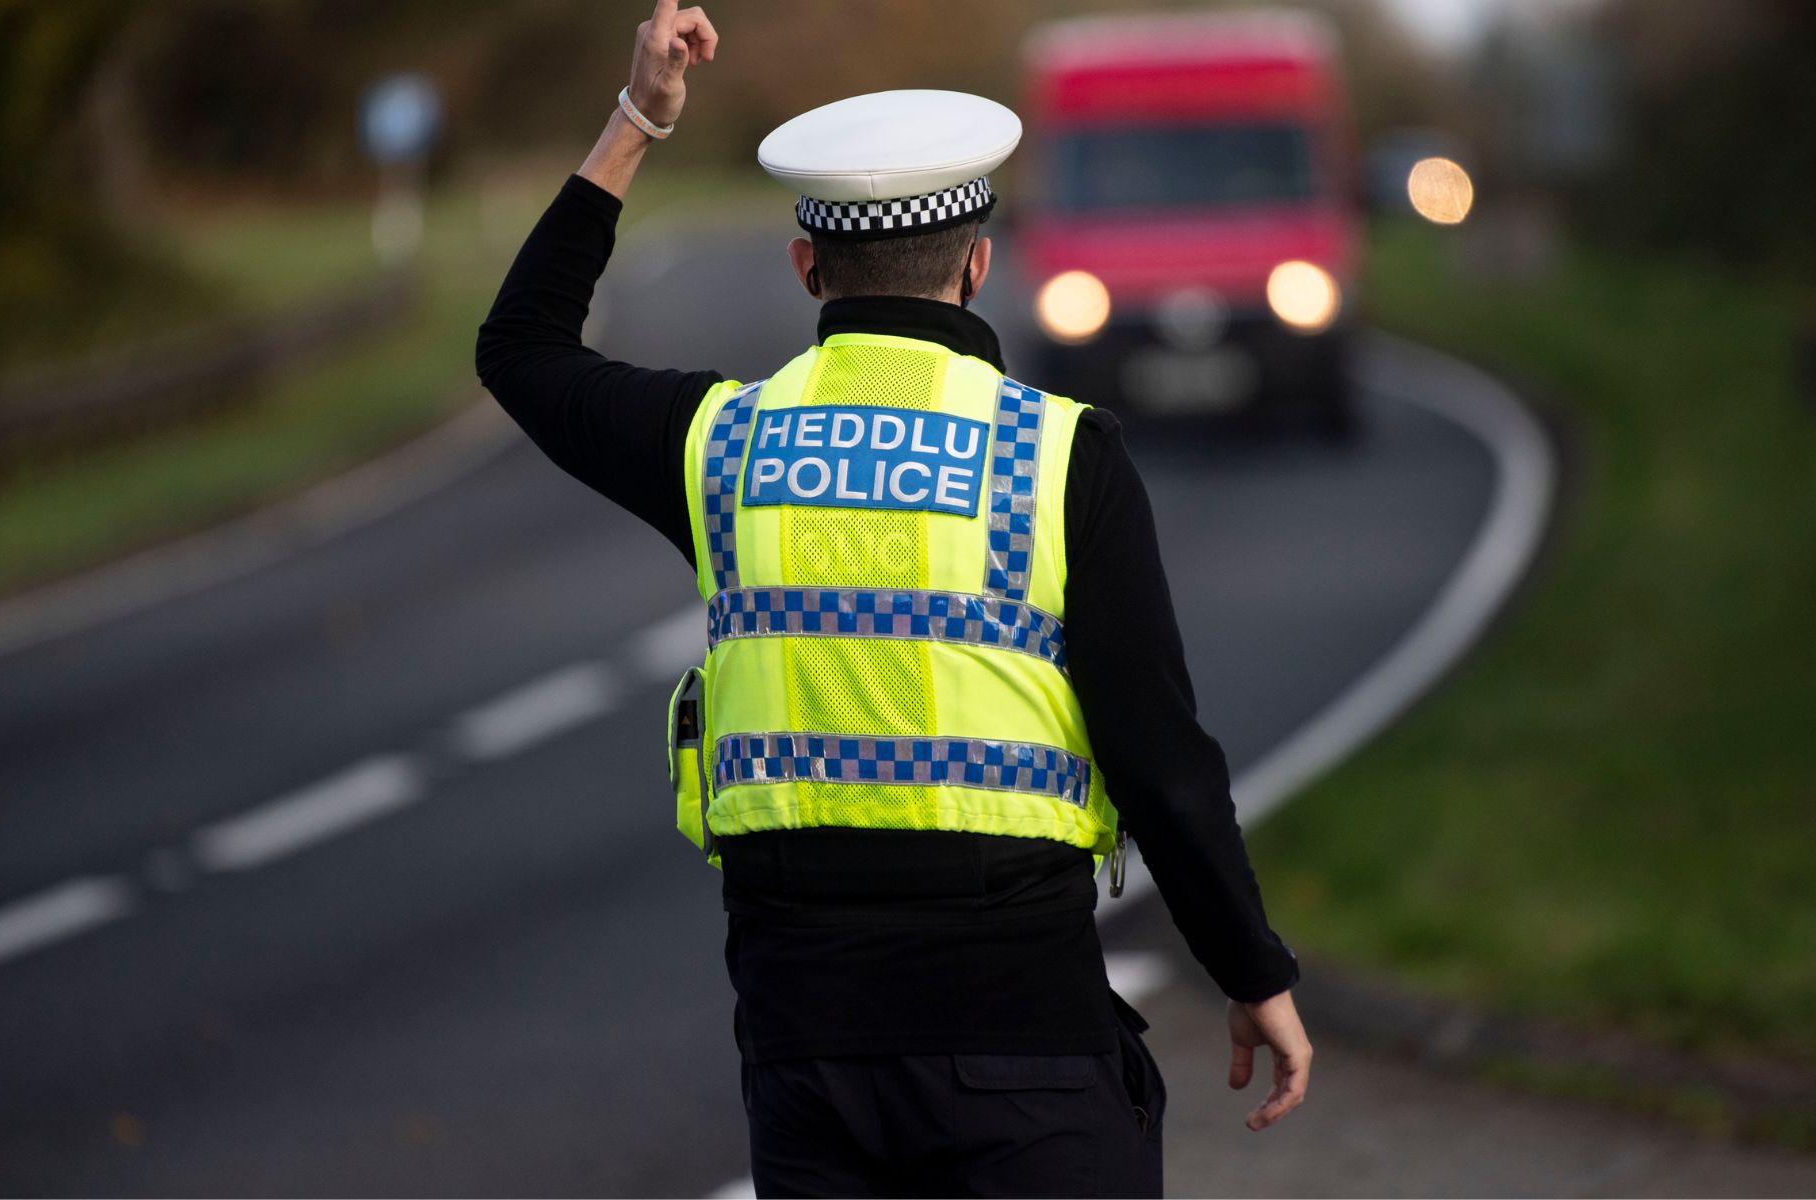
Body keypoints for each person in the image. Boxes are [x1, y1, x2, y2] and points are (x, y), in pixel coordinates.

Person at [475, 3, 1312, 1195]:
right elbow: (1159, 757)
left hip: (808, 1055)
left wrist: (636, 123)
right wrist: (1251, 971)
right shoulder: (1062, 455)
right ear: (978, 261)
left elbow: (519, 344)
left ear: (806, 266)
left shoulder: (721, 443)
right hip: (1022, 1045)